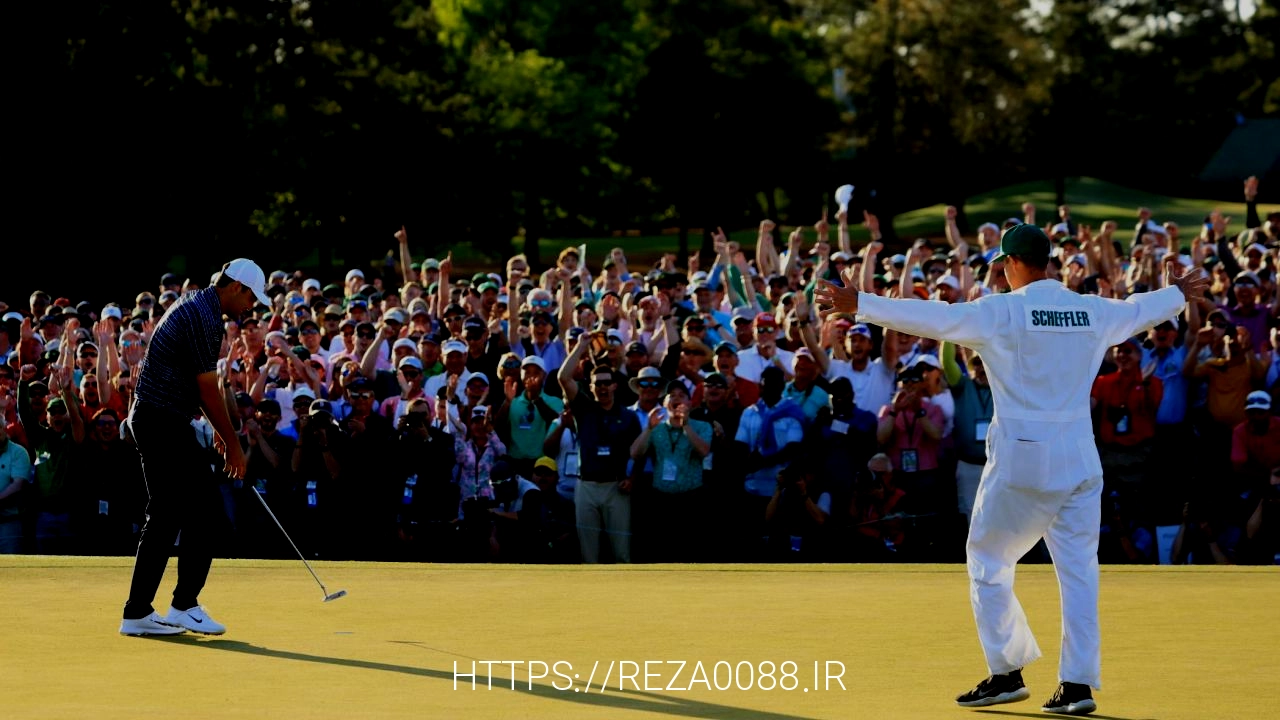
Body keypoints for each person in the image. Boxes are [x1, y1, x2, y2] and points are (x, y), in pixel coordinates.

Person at [815, 223, 1206, 715]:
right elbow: (1139, 309)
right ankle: (1078, 686)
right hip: (1081, 457)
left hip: (1023, 458)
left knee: (987, 560)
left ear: (1011, 263)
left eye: (1000, 264)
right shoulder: (1089, 310)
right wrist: (1176, 293)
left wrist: (863, 304)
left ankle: (1006, 672)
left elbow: (934, 318)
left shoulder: (1000, 311)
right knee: (1080, 573)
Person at [119, 259, 266, 637]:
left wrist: (219, 429)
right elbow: (205, 386)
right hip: (161, 420)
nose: (252, 306)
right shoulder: (206, 317)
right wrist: (233, 444)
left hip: (159, 418)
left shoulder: (196, 304)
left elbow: (197, 383)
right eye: (251, 297)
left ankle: (141, 611)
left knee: (168, 515)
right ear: (236, 287)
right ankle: (181, 606)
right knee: (205, 512)